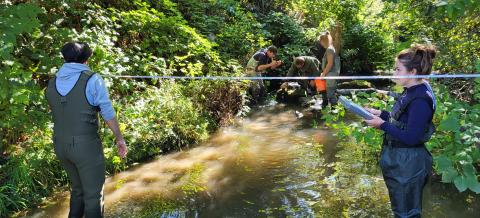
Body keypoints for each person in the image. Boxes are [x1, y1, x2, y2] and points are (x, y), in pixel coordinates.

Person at [45, 42, 128, 218]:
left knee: (78, 191)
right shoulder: (93, 79)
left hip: (60, 145)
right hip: (85, 147)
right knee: (93, 196)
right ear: (86, 59)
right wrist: (119, 139)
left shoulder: (52, 82)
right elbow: (107, 111)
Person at [364, 44, 437, 218]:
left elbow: (412, 137)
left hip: (408, 164)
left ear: (412, 72)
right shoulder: (412, 90)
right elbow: (403, 120)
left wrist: (381, 124)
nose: (394, 73)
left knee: (406, 213)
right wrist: (380, 114)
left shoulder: (420, 98)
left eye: (398, 69)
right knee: (402, 210)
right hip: (402, 161)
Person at [318, 31, 341, 107]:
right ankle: (333, 111)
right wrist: (323, 73)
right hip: (330, 75)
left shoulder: (330, 49)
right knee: (330, 92)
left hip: (331, 75)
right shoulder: (330, 48)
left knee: (330, 94)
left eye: (320, 41)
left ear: (323, 41)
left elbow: (330, 63)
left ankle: (335, 112)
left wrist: (323, 74)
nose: (320, 43)